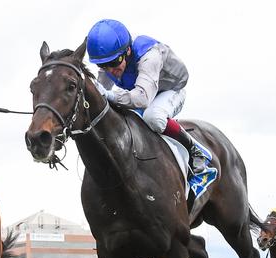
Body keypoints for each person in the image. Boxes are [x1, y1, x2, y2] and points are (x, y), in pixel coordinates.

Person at [86, 19, 208, 174]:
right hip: (144, 90)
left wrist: (109, 94)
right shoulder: (111, 59)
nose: (110, 70)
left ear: (128, 51)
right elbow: (99, 96)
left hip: (171, 90)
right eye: (103, 65)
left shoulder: (149, 56)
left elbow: (141, 99)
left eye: (115, 62)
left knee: (153, 117)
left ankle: (194, 149)